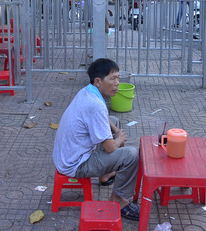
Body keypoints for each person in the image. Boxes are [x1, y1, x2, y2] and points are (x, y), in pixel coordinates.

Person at [53, 58, 141, 221]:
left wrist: (115, 130)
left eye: (118, 78)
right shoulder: (96, 104)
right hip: (75, 164)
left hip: (66, 155)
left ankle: (105, 175)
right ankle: (118, 201)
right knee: (131, 155)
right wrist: (119, 138)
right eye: (112, 78)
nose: (117, 83)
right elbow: (110, 148)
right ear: (98, 81)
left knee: (113, 121)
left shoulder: (87, 91)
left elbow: (103, 119)